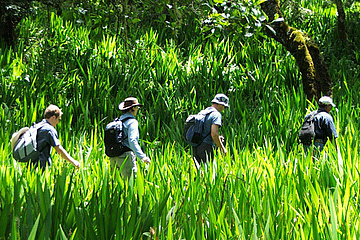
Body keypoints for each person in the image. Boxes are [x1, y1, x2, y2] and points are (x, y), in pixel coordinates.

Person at [109, 97, 151, 179]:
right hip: (126, 157)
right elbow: (132, 141)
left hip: (113, 157)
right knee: (130, 185)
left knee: (117, 186)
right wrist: (142, 156)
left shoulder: (117, 121)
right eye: (137, 107)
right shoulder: (132, 122)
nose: (137, 110)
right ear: (133, 108)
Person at [29, 104, 80, 170]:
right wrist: (73, 162)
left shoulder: (37, 126)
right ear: (53, 117)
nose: (58, 122)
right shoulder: (49, 130)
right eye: (58, 119)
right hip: (42, 166)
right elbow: (58, 149)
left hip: (31, 165)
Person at [193, 93, 229, 168]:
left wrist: (218, 138)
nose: (223, 109)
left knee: (199, 173)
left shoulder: (203, 112)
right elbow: (214, 134)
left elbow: (204, 131)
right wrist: (222, 149)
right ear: (221, 105)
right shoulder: (216, 115)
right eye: (224, 107)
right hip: (206, 147)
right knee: (208, 173)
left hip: (196, 146)